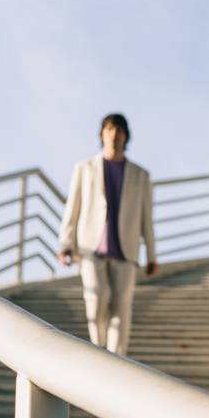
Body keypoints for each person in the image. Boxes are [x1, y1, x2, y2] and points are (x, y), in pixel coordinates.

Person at [58, 113, 157, 356]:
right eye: (110, 129)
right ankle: (98, 349)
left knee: (121, 310)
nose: (114, 134)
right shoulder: (84, 168)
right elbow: (74, 207)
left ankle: (117, 361)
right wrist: (65, 244)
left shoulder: (140, 175)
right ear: (102, 134)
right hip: (91, 248)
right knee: (96, 299)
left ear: (126, 136)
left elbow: (147, 217)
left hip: (126, 250)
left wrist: (152, 255)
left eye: (119, 130)